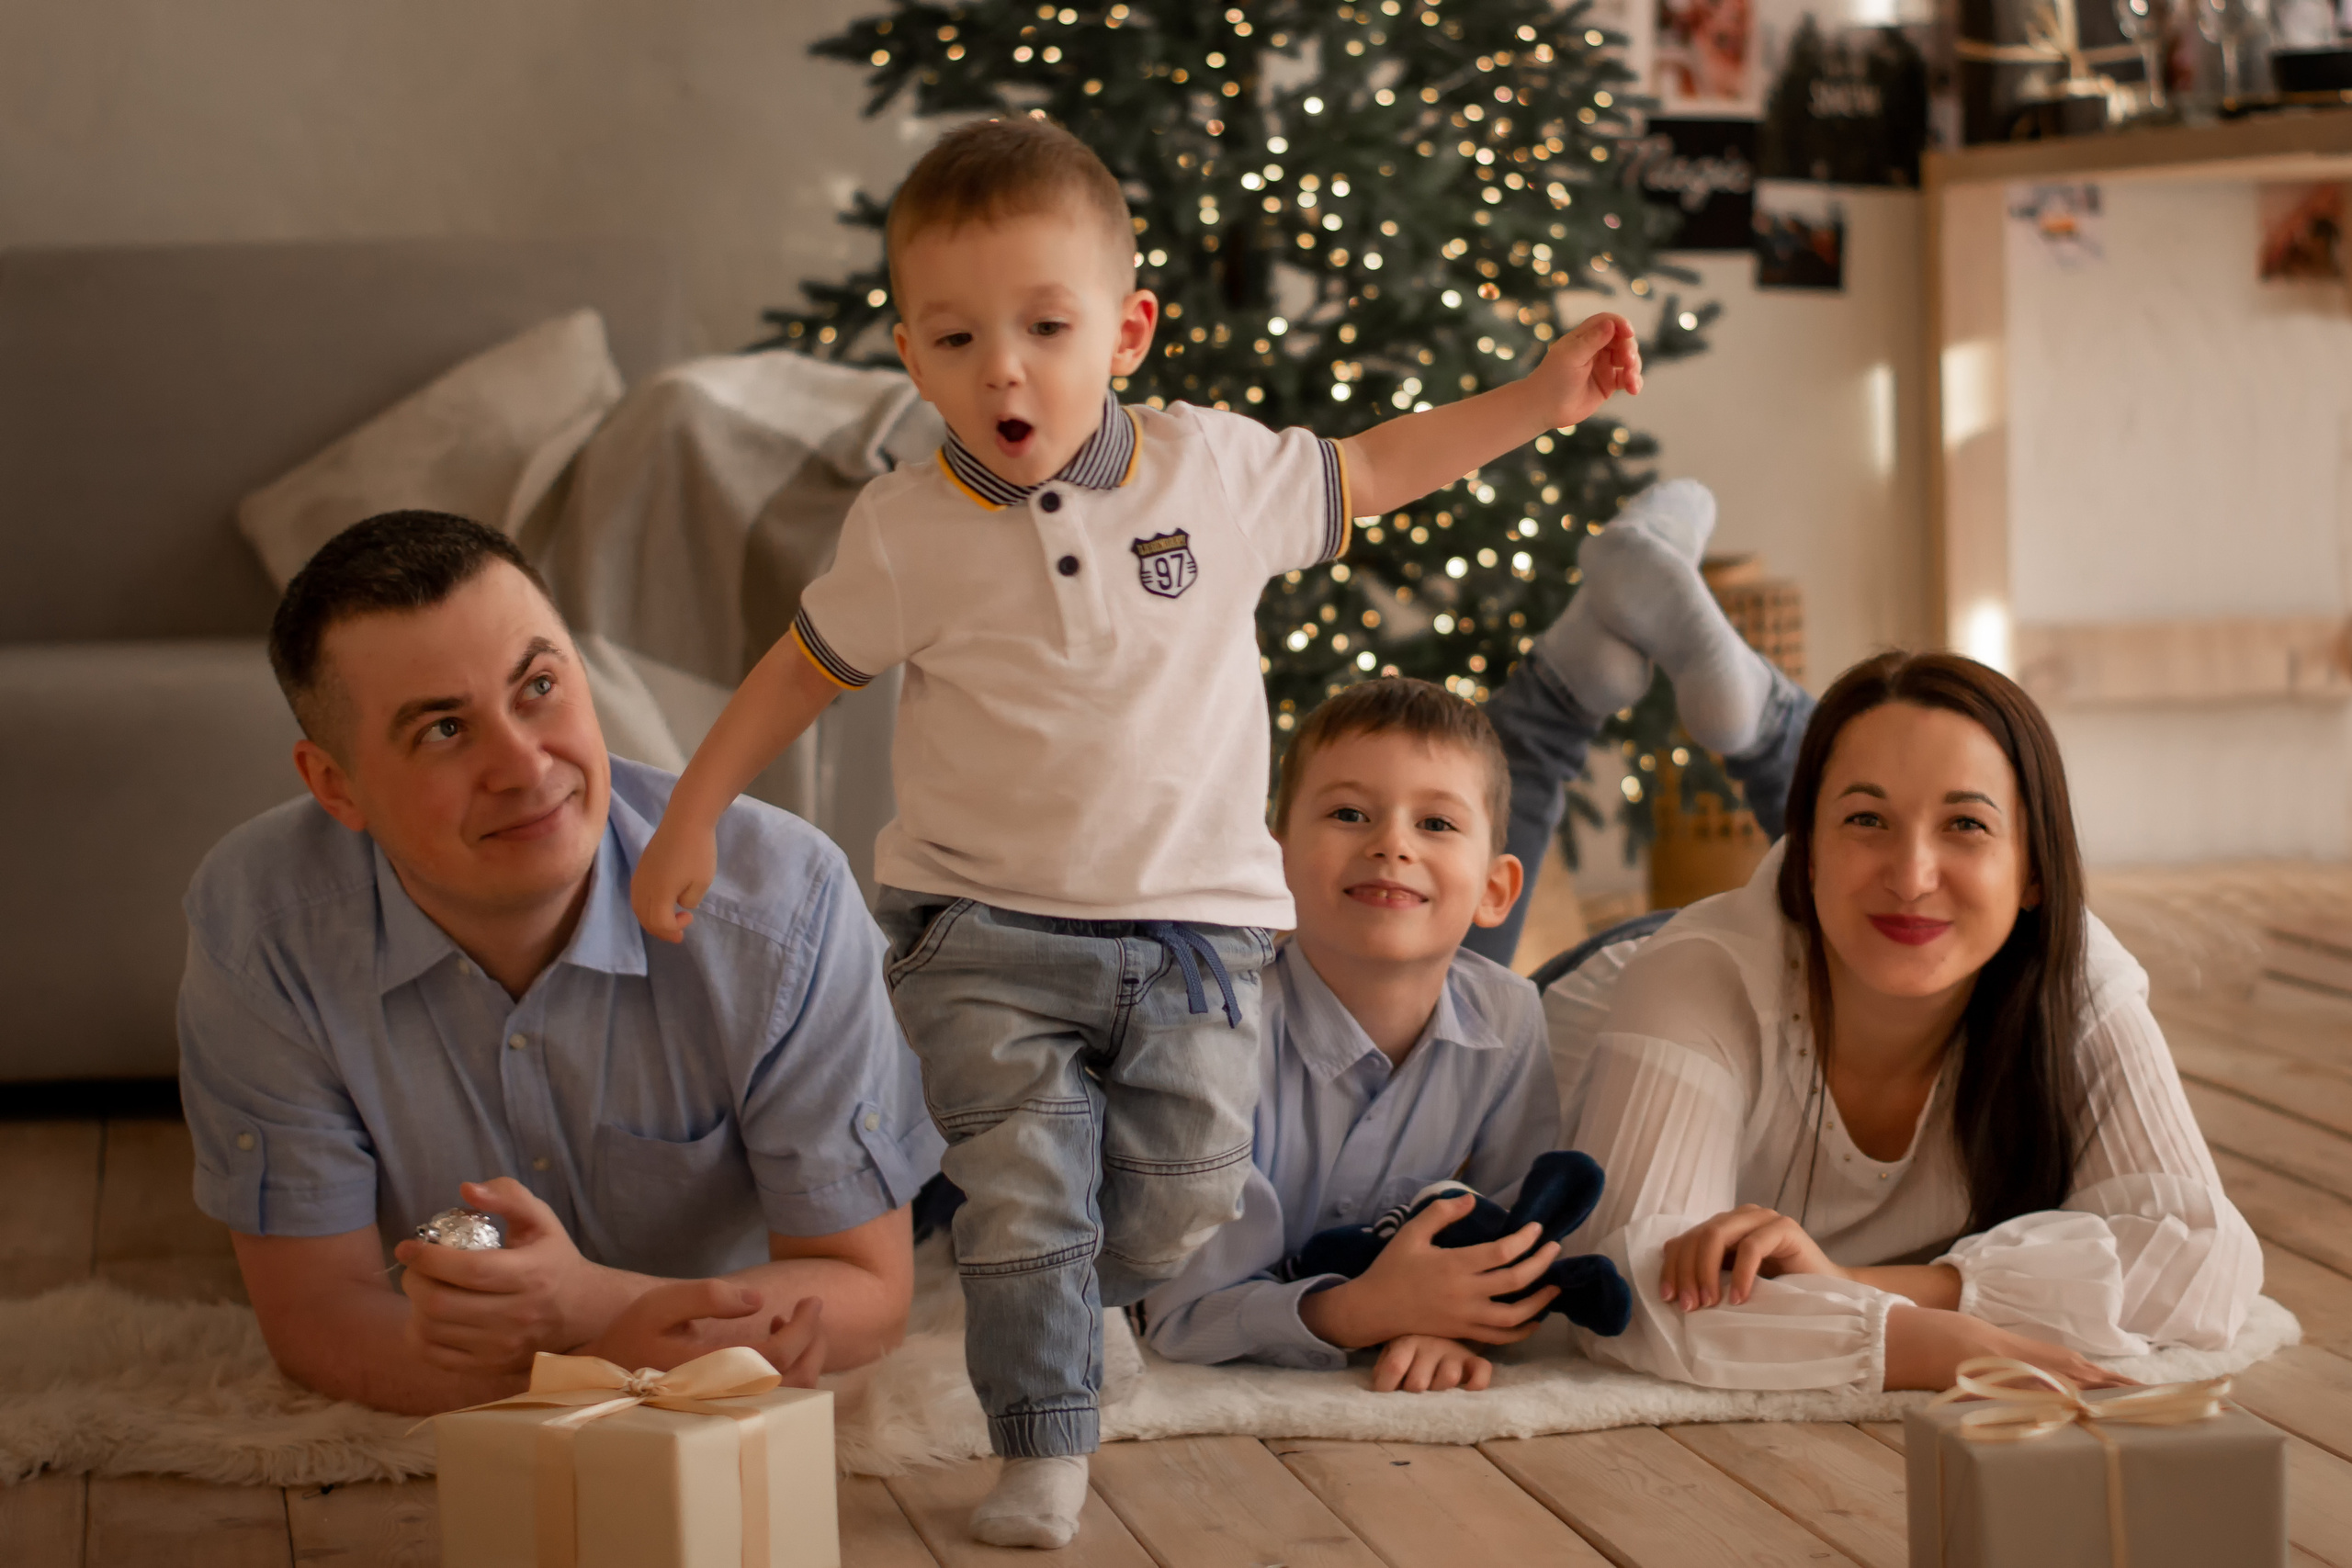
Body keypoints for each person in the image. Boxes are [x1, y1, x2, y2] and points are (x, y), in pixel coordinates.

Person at [628, 117, 1645, 1549]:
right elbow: (795, 672)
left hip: (1199, 938)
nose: (1004, 369)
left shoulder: (1209, 475)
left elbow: (1382, 462)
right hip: (982, 931)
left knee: (1181, 1191)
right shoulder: (906, 532)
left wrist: (1538, 398)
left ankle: (1083, 1295)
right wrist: (689, 815)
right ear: (910, 357)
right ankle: (1042, 1442)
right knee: (1027, 1186)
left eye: (1046, 325)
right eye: (957, 336)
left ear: (1127, 330)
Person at [1482, 482, 2261, 1391]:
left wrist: (1863, 1286)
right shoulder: (1694, 979)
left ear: (2038, 873)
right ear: (1796, 854)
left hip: (1828, 939)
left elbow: (2207, 1262)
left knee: (1888, 807)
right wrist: (1923, 1345)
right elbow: (1628, 1294)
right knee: (1449, 930)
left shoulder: (2074, 973)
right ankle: (1560, 697)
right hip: (1626, 992)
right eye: (1860, 826)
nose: (1915, 871)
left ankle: (1767, 722)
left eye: (1970, 827)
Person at [177, 513, 943, 1418]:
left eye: (537, 686)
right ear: (335, 785)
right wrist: (592, 1362)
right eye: (442, 732)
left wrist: (587, 1311)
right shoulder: (262, 929)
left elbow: (865, 1291)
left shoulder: (781, 906)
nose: (524, 764)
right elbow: (316, 1320)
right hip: (470, 1292)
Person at [1142, 679, 1566, 1394]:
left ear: (1496, 888)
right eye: (1349, 812)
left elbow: (1518, 1231)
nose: (1391, 844)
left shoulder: (1512, 1017)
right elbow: (1182, 1316)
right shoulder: (1217, 1031)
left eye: (1436, 823)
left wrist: (1443, 1319)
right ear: (1272, 861)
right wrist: (1363, 1312)